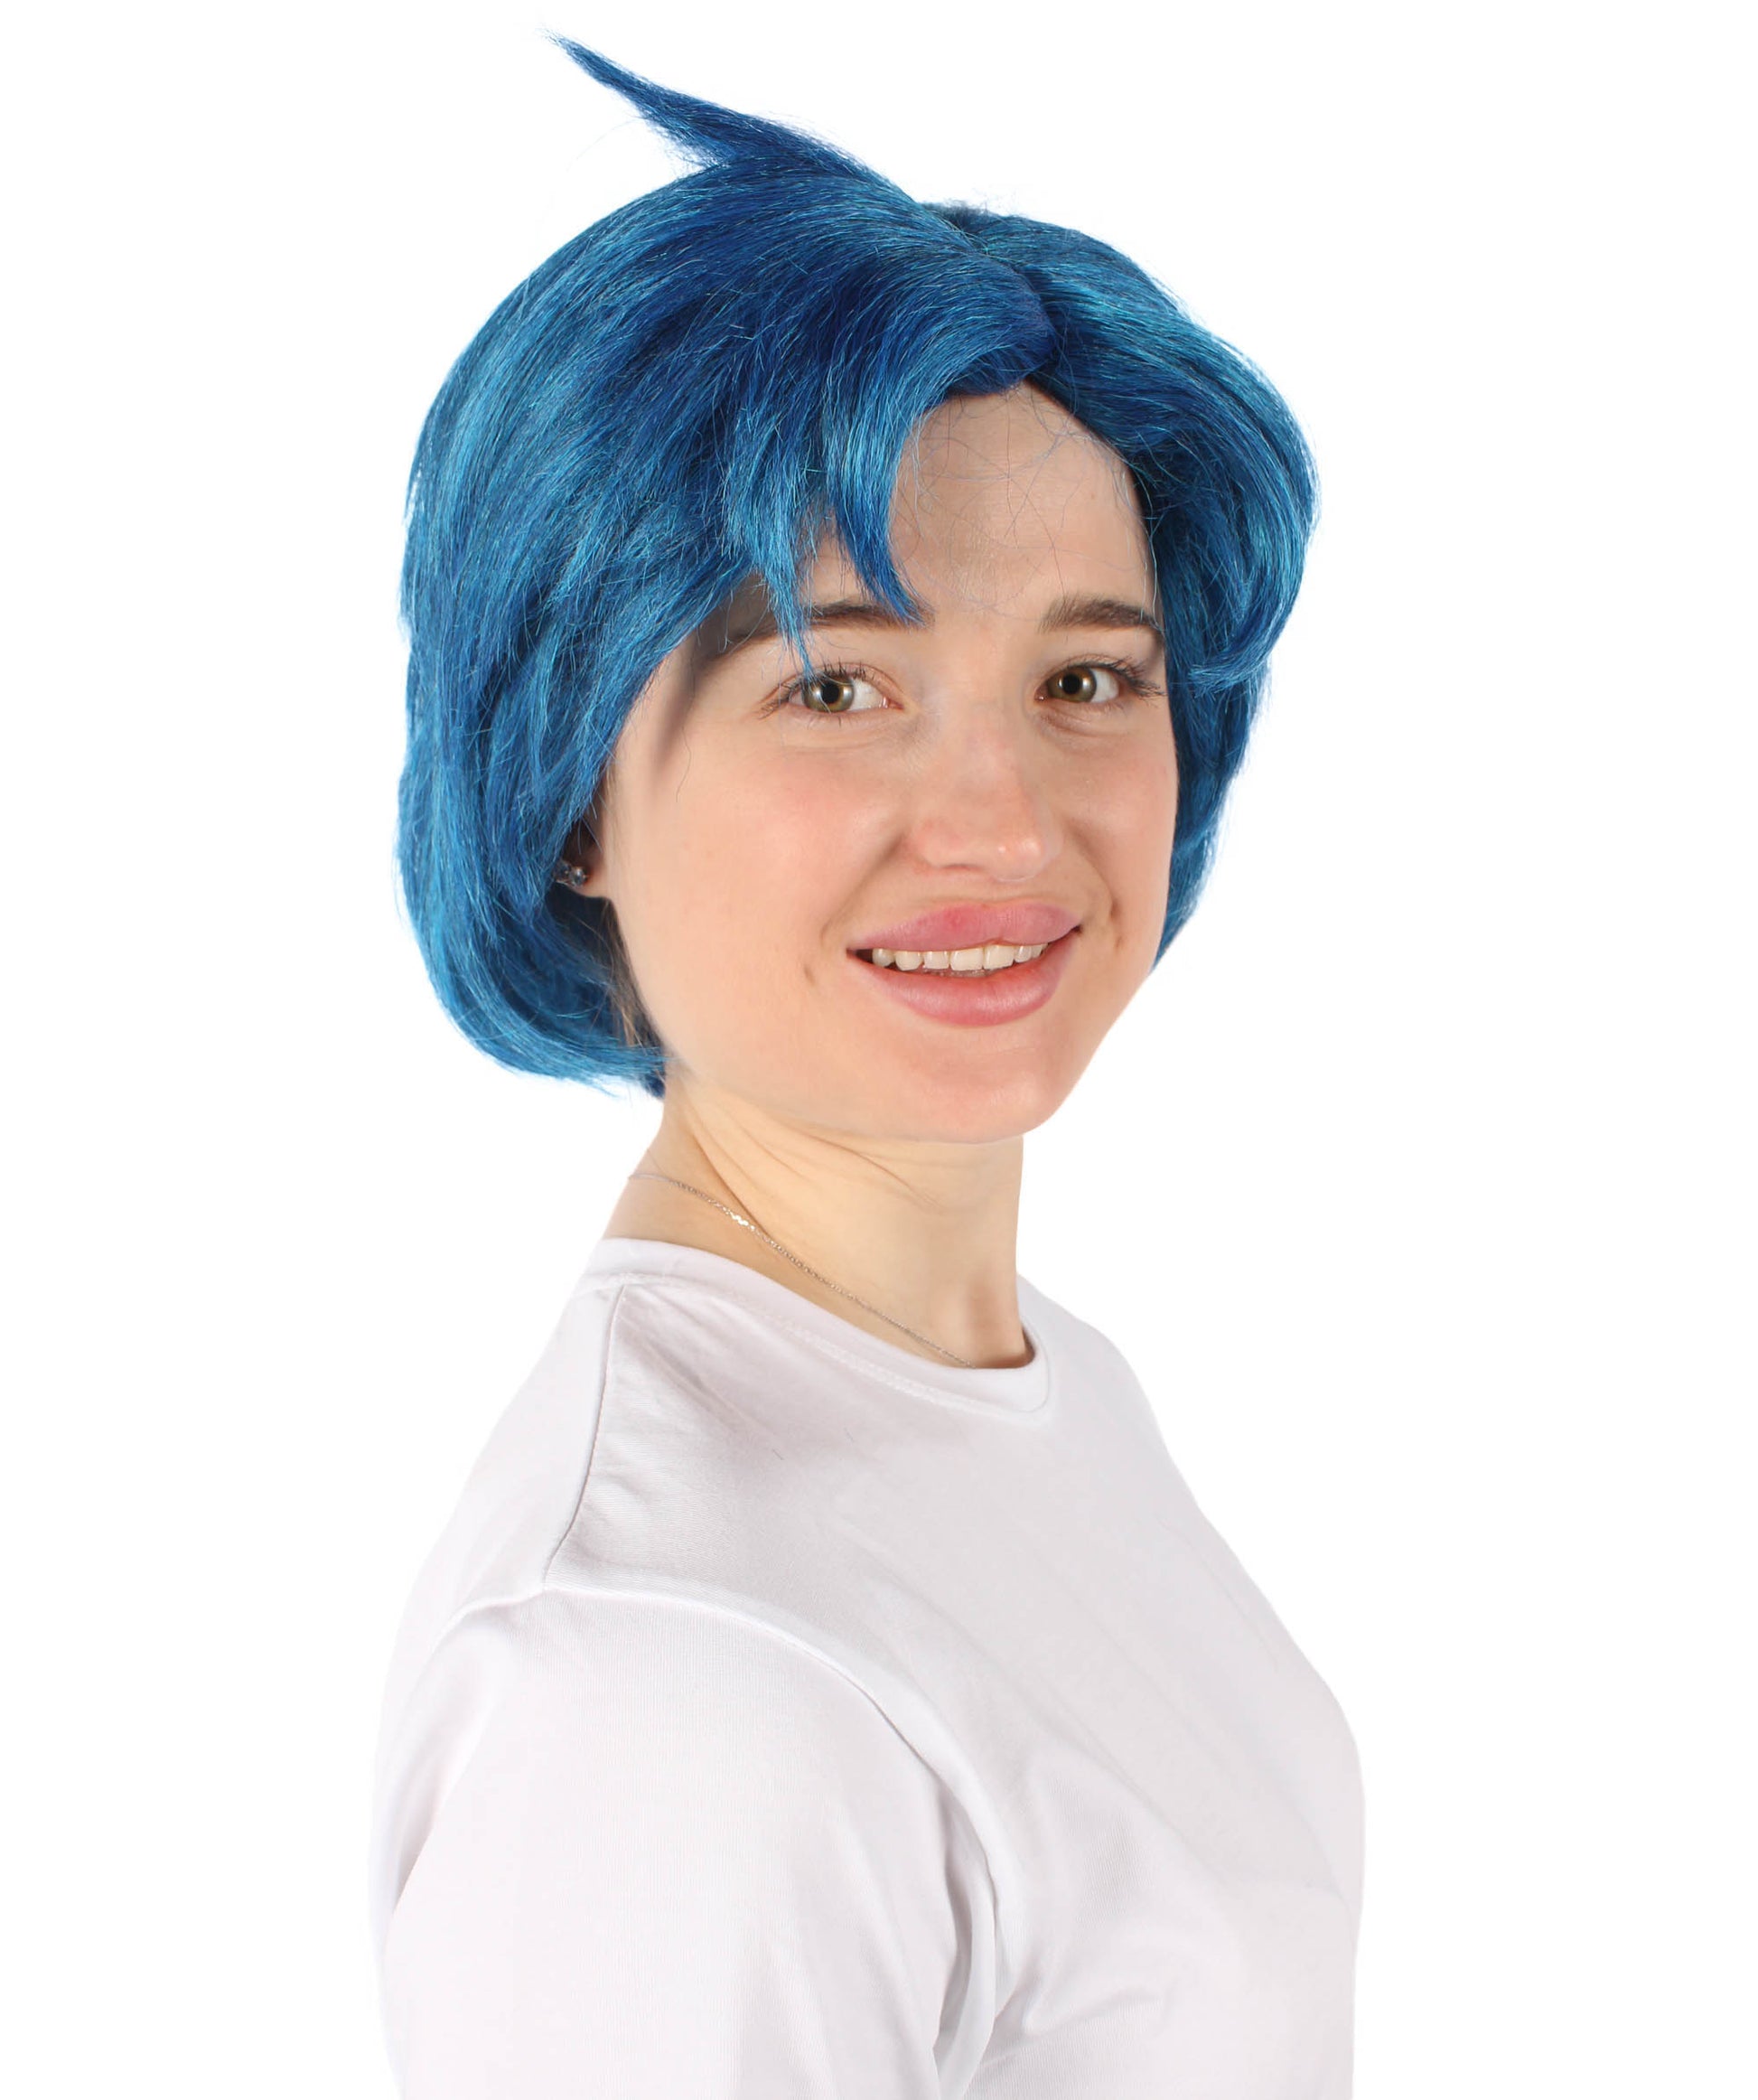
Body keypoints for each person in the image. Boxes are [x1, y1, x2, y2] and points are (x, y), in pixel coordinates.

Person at [368, 39, 1364, 2098]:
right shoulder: (665, 1667)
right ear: (573, 791)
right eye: (836, 687)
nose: (1003, 823)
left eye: (1084, 677)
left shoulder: (1019, 1384)